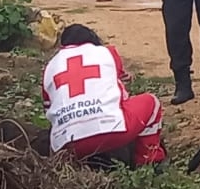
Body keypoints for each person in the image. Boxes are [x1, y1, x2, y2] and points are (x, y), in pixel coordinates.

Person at [41, 23, 165, 168]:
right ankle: (148, 162)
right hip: (111, 131)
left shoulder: (49, 68)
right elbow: (120, 89)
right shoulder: (108, 52)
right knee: (151, 103)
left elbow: (49, 111)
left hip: (67, 145)